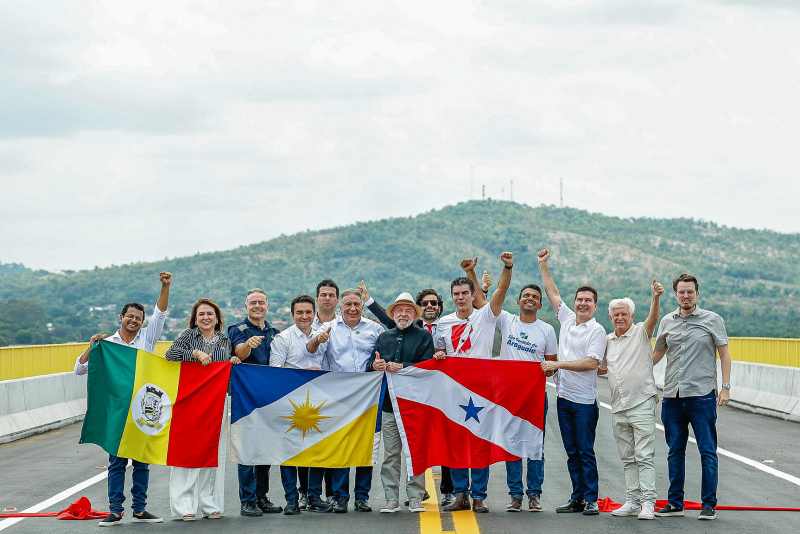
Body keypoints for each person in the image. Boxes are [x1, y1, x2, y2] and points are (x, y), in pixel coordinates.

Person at [75, 271, 172, 527]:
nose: (134, 321)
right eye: (130, 316)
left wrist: (165, 286)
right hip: (118, 412)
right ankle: (115, 511)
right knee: (116, 462)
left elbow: (160, 314)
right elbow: (79, 369)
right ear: (121, 317)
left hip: (142, 410)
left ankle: (139, 510)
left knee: (141, 462)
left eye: (139, 318)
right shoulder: (106, 343)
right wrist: (91, 347)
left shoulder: (147, 340)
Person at [435, 252, 514, 514]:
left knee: (480, 443)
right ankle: (460, 494)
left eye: (465, 293)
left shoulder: (486, 315)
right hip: (454, 391)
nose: (460, 297)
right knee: (456, 444)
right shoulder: (442, 323)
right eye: (456, 294)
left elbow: (501, 291)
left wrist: (507, 267)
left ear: (473, 294)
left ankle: (479, 495)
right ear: (452, 296)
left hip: (481, 390)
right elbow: (438, 355)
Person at [652, 274, 732, 521]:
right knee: (675, 451)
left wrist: (726, 387)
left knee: (707, 451)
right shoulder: (666, 321)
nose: (685, 296)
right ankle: (675, 503)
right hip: (673, 395)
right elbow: (656, 355)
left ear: (697, 294)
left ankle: (709, 505)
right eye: (681, 292)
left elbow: (725, 355)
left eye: (690, 292)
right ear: (675, 294)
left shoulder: (712, 320)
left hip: (702, 395)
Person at [476, 278, 558, 513]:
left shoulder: (547, 330)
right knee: (512, 446)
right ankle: (515, 496)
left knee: (535, 447)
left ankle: (534, 495)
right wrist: (473, 275)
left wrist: (545, 369)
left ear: (540, 305)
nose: (530, 299)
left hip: (534, 397)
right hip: (508, 397)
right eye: (526, 296)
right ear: (518, 301)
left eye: (535, 297)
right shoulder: (507, 320)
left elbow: (551, 366)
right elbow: (483, 304)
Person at [538, 248, 607, 516]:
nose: (582, 304)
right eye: (579, 299)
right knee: (571, 451)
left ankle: (591, 498)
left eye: (588, 301)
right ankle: (577, 497)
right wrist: (543, 265)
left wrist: (557, 364)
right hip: (564, 398)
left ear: (595, 305)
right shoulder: (567, 320)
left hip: (584, 403)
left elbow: (592, 363)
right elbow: (553, 293)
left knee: (585, 451)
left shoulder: (597, 330)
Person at [306, 288, 384, 513]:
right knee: (341, 446)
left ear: (362, 306)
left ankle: (362, 496)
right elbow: (310, 348)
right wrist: (317, 339)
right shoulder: (328, 327)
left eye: (356, 304)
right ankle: (340, 496)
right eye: (348, 304)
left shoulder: (374, 328)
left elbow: (386, 347)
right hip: (338, 395)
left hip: (369, 394)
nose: (352, 308)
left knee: (367, 447)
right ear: (340, 306)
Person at [597, 278, 664, 520]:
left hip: (641, 401)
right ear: (611, 317)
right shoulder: (606, 340)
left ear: (631, 315)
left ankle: (648, 502)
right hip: (618, 406)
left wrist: (655, 298)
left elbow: (653, 319)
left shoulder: (641, 333)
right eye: (615, 315)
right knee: (628, 457)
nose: (619, 318)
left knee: (644, 455)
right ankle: (632, 500)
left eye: (624, 314)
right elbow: (600, 368)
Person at [166, 298, 234, 521]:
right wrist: (194, 354)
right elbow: (171, 355)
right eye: (201, 314)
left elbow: (227, 374)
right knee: (188, 451)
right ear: (195, 319)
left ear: (217, 318)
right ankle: (183, 506)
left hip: (216, 403)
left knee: (213, 451)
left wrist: (232, 362)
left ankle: (209, 503)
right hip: (191, 402)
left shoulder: (225, 341)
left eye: (210, 314)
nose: (206, 318)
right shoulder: (188, 336)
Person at [367, 293, 435, 513]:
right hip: (389, 404)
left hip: (415, 404)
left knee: (414, 451)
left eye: (408, 310)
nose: (403, 314)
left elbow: (429, 366)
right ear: (393, 313)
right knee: (391, 454)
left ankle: (415, 497)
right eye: (399, 310)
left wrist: (403, 366)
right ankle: (391, 498)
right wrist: (374, 365)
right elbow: (372, 363)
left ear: (414, 314)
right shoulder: (384, 337)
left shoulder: (424, 336)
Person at [227, 288, 283, 517]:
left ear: (267, 306)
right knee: (247, 450)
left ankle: (262, 496)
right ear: (246, 306)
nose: (257, 306)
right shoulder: (237, 329)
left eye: (261, 302)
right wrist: (248, 345)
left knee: (265, 449)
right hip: (245, 399)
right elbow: (238, 354)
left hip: (268, 398)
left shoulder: (275, 331)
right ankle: (247, 500)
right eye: (253, 302)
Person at [269, 294, 326, 515]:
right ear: (292, 315)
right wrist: (304, 375)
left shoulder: (324, 336)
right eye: (300, 312)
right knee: (289, 454)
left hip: (318, 404)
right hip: (290, 405)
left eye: (308, 312)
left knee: (318, 450)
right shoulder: (283, 339)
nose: (304, 316)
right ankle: (292, 498)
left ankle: (313, 496)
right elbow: (274, 370)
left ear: (314, 313)